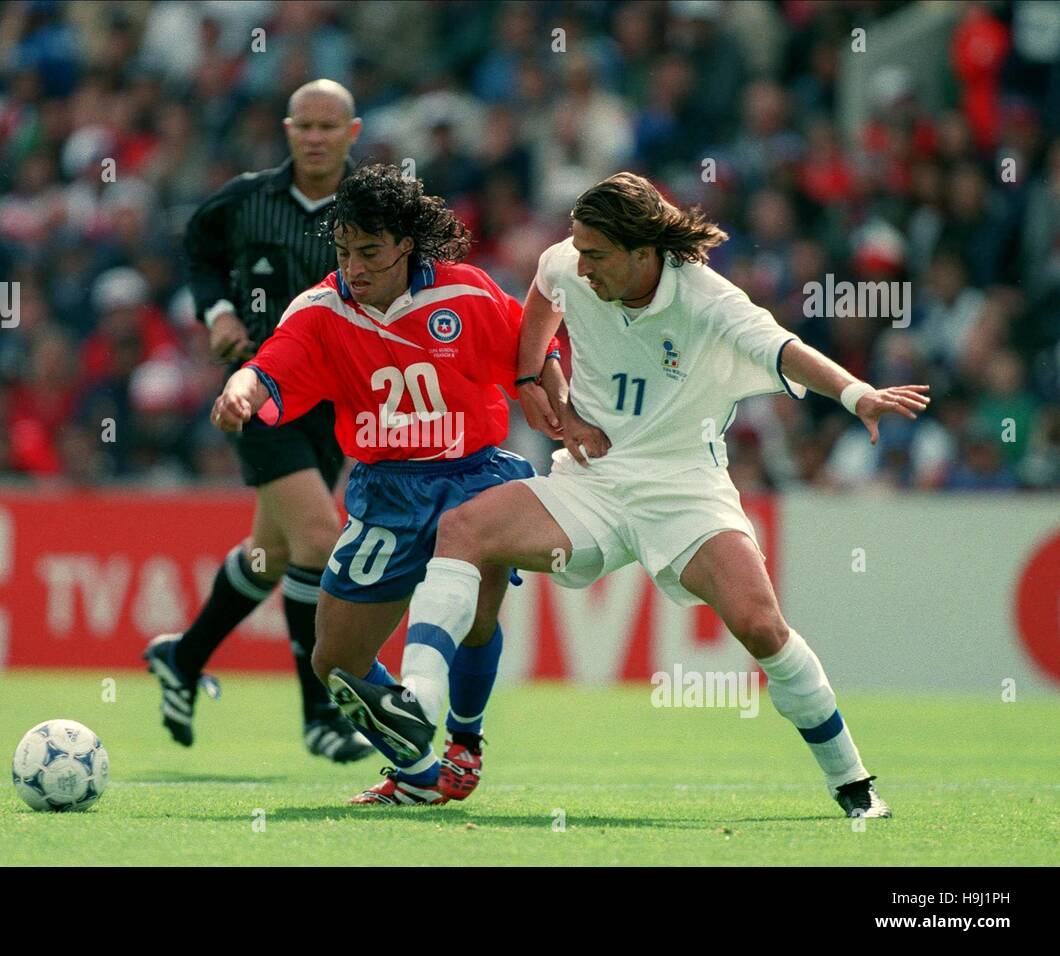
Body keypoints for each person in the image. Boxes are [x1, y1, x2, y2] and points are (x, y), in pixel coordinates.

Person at [330, 171, 931, 818]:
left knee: (760, 625)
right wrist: (539, 380)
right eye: (578, 250)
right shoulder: (571, 262)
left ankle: (853, 783)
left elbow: (785, 350)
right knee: (464, 530)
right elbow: (544, 292)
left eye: (596, 255)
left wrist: (856, 394)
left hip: (683, 490)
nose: (580, 266)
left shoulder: (706, 299)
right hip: (593, 480)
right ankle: (417, 702)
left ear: (644, 252)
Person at [210, 163, 560, 805]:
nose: (355, 267)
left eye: (369, 251)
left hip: (473, 478)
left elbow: (534, 346)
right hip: (386, 492)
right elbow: (270, 365)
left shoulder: (467, 294)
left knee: (476, 619)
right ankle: (419, 773)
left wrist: (556, 397)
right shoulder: (320, 310)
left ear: (405, 244)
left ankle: (465, 741)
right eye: (344, 251)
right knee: (332, 661)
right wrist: (240, 387)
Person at [143, 80, 371, 763]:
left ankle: (182, 657)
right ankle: (320, 714)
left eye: (329, 125)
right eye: (304, 124)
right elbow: (197, 248)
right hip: (260, 387)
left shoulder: (372, 205)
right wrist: (215, 312)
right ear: (287, 128)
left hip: (335, 399)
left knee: (271, 557)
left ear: (352, 132)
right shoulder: (245, 199)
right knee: (319, 538)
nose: (316, 136)